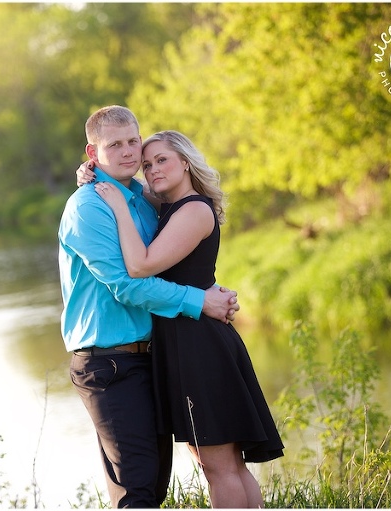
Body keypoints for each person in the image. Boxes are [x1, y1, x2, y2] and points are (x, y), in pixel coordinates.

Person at [58, 106, 240, 508]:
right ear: (93, 151)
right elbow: (127, 285)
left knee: (154, 487)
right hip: (108, 364)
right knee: (136, 489)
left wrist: (208, 287)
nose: (127, 152)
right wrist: (200, 301)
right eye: (113, 145)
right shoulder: (89, 207)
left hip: (152, 358)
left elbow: (180, 248)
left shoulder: (141, 197)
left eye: (131, 141)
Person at [93, 130, 284, 508]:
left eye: (162, 159)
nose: (152, 169)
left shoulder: (194, 209)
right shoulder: (173, 207)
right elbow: (134, 188)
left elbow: (140, 265)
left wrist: (116, 206)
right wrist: (94, 172)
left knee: (220, 467)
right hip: (186, 341)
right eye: (147, 164)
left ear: (185, 161)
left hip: (199, 346)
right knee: (224, 463)